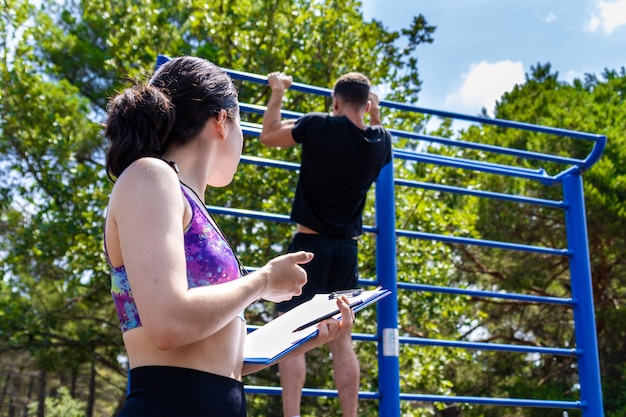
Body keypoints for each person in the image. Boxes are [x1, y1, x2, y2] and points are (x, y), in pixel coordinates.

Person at [103, 56, 355, 417]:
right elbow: (169, 323)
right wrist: (264, 280)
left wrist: (299, 338)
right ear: (222, 121)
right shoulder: (151, 176)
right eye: (243, 127)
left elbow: (214, 357)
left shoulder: (186, 198)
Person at [259, 71, 393, 417]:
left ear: (335, 103)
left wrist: (278, 91)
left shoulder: (318, 125)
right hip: (347, 250)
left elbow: (269, 136)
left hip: (310, 245)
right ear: (366, 104)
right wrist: (373, 114)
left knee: (293, 335)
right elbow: (379, 133)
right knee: (342, 340)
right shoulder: (380, 141)